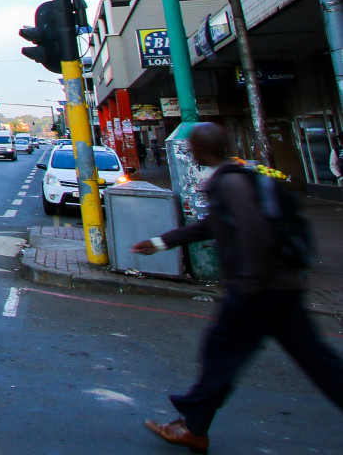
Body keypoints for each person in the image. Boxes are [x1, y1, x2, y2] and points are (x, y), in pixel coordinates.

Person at [133, 123, 343, 452]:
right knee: (315, 359)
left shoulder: (230, 183)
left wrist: (248, 284)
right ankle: (195, 426)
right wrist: (160, 242)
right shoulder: (243, 176)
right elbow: (212, 226)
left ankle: (194, 427)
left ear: (201, 151)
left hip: (257, 291)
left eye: (192, 147)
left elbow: (253, 231)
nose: (190, 152)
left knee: (220, 355)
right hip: (280, 287)